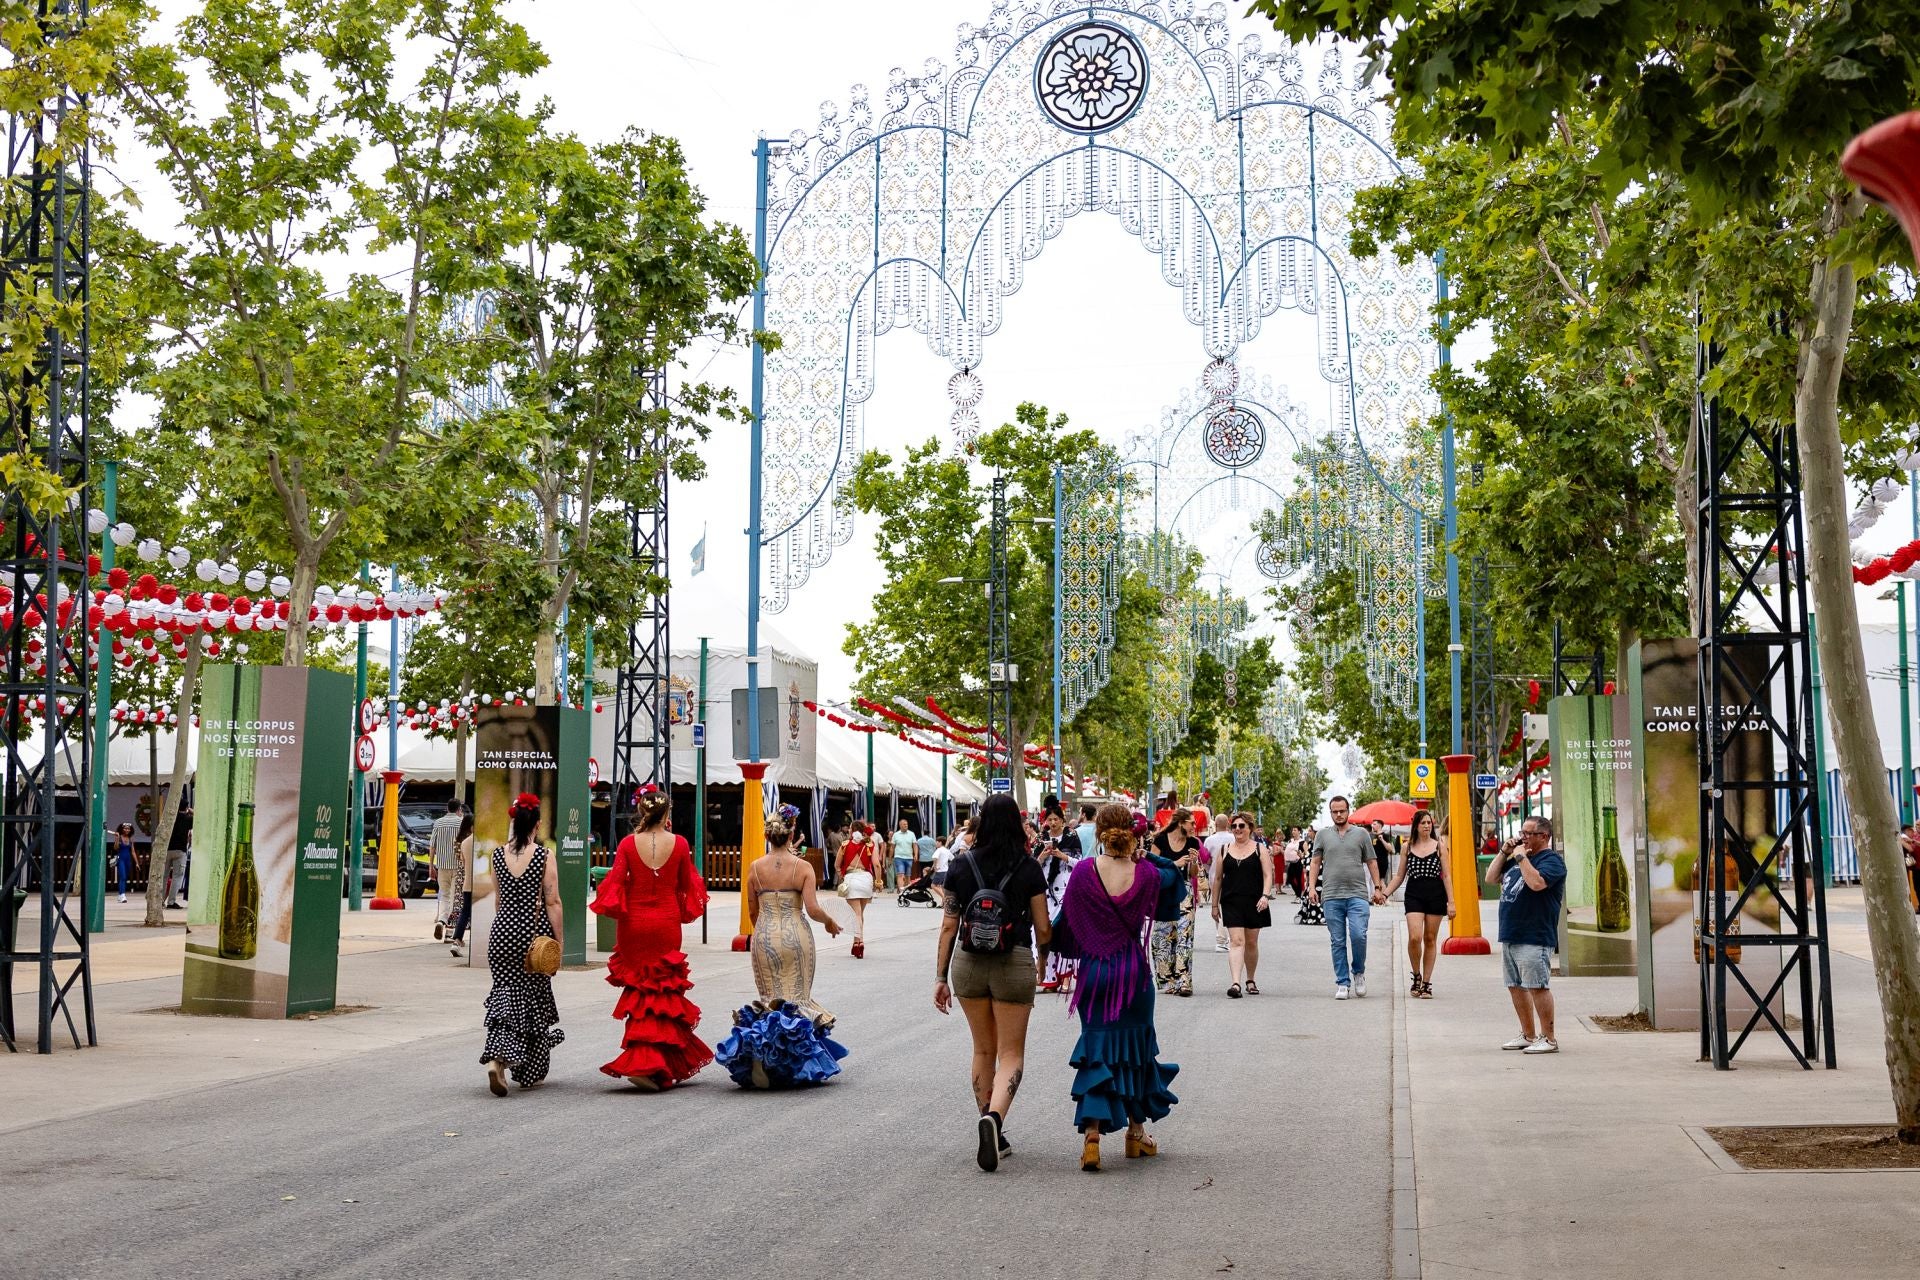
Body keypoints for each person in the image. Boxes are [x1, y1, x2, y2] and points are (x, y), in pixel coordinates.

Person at [1054, 802, 1181, 1172]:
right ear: (1134, 832)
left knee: (1098, 1052)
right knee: (1136, 1052)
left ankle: (1092, 1138)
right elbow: (1173, 876)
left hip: (1094, 974)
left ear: (1098, 832)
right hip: (1134, 975)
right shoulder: (1145, 874)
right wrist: (1147, 855)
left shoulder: (1082, 872)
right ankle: (1136, 1134)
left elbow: (1066, 925)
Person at [932, 792, 1051, 1173]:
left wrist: (940, 977)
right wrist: (1044, 956)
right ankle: (995, 1120)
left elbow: (949, 923)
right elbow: (1044, 928)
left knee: (983, 1050)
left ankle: (989, 1121)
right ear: (1018, 823)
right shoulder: (1029, 867)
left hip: (967, 964)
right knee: (1011, 1054)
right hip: (1013, 961)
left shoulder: (961, 865)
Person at [590, 788, 712, 1091]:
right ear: (667, 814)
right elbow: (688, 885)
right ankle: (654, 1062)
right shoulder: (680, 843)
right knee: (663, 990)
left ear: (642, 812)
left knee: (641, 989)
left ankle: (646, 1060)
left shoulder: (630, 844)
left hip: (634, 924)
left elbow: (615, 882)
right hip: (666, 923)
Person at [715, 816, 848, 1088]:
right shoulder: (803, 867)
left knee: (769, 998)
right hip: (796, 935)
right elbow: (811, 909)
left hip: (764, 934)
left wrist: (763, 932)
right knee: (796, 998)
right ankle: (792, 1065)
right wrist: (830, 922)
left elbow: (752, 910)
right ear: (791, 837)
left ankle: (760, 1057)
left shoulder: (755, 868)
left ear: (767, 837)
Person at [477, 793, 566, 1094]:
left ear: (513, 821)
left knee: (504, 995)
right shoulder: (544, 856)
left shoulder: (498, 856)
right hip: (531, 935)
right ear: (537, 825)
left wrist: (507, 926)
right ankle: (528, 1070)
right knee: (533, 998)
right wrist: (559, 941)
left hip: (501, 934)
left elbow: (499, 901)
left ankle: (498, 1059)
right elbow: (552, 901)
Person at [1489, 815, 1567, 1053]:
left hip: (1534, 934)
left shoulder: (1552, 861)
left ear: (1543, 836)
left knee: (1537, 986)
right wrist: (1504, 852)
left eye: (1528, 833)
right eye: (1521, 832)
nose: (1522, 837)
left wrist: (1521, 856)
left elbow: (1536, 884)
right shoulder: (1516, 859)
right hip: (1511, 932)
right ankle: (1528, 1034)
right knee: (1515, 985)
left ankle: (1549, 1037)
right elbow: (1491, 878)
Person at [1309, 797, 1387, 999]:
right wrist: (1311, 888)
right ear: (1330, 812)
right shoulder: (1323, 835)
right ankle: (1342, 982)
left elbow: (1372, 862)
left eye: (1342, 811)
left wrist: (1378, 888)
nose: (1338, 815)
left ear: (1348, 811)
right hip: (1332, 895)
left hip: (1357, 894)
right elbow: (1315, 862)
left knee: (1359, 935)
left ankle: (1358, 973)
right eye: (1334, 811)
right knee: (1337, 940)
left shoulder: (1361, 834)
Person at [1382, 810, 1454, 998]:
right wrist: (1385, 893)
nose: (1426, 826)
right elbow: (1399, 876)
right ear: (1416, 825)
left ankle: (1427, 984)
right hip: (1414, 893)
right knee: (1415, 937)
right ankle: (1416, 975)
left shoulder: (1440, 846)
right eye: (1422, 823)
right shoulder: (1407, 847)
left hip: (1436, 894)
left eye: (1429, 823)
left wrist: (1451, 902)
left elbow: (1446, 875)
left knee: (1430, 938)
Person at [1210, 813, 1276, 998]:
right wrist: (1214, 906)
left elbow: (1267, 875)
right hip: (1231, 901)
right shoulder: (1224, 850)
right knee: (1237, 941)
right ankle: (1236, 983)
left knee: (1251, 943)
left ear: (1250, 829)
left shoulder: (1259, 849)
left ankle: (1250, 979)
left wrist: (1265, 895)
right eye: (1235, 826)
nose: (1238, 829)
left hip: (1255, 901)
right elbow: (1217, 879)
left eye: (1242, 826)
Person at [1148, 809, 1200, 997]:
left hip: (1184, 891)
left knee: (1184, 936)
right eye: (1191, 823)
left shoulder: (1193, 842)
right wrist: (1174, 863)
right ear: (1180, 823)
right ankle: (1168, 980)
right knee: (1162, 936)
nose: (1194, 827)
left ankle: (1184, 981)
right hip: (1163, 891)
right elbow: (1150, 868)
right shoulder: (1161, 839)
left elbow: (1193, 874)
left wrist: (1193, 862)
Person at [1037, 808, 1082, 993]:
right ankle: (1049, 978)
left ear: (1062, 821)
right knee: (1045, 935)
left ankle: (1065, 976)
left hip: (1065, 890)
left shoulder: (1072, 837)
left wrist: (1063, 856)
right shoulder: (1041, 839)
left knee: (1065, 934)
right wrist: (1043, 856)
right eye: (1050, 819)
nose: (1053, 823)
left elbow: (1080, 863)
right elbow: (1033, 864)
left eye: (1056, 819)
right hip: (1045, 891)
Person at [837, 822, 880, 958]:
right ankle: (857, 941)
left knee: (856, 914)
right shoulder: (870, 844)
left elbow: (837, 865)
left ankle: (859, 944)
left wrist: (842, 875)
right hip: (866, 879)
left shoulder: (844, 845)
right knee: (860, 914)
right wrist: (878, 882)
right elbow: (877, 865)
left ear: (852, 830)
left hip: (851, 878)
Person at [431, 799, 464, 939]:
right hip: (457, 865)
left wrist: (430, 865)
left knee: (444, 895)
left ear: (447, 808)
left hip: (442, 865)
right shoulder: (461, 822)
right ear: (459, 809)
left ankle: (441, 920)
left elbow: (432, 846)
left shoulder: (438, 823)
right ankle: (449, 932)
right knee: (454, 898)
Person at [1203, 814, 1234, 952]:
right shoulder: (1233, 838)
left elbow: (1205, 859)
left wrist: (1210, 870)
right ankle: (1227, 938)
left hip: (1214, 875)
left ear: (1215, 824)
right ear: (1228, 824)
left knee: (1217, 906)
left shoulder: (1209, 840)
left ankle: (1221, 937)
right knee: (1230, 905)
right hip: (1232, 876)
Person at [448, 811, 475, 959]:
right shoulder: (481, 842)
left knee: (464, 913)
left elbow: (463, 863)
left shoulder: (464, 843)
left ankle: (456, 941)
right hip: (481, 884)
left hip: (467, 883)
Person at [890, 818, 918, 892]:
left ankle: (906, 890)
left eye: (907, 824)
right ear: (900, 825)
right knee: (900, 874)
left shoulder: (911, 834)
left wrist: (916, 854)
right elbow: (892, 847)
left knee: (908, 876)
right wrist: (890, 858)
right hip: (898, 857)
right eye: (904, 824)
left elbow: (915, 845)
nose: (906, 825)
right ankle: (901, 890)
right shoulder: (896, 835)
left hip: (909, 857)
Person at [111, 823, 136, 904]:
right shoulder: (119, 837)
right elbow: (115, 847)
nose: (127, 830)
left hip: (128, 860)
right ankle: (122, 895)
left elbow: (133, 852)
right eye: (125, 828)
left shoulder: (131, 839)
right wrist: (117, 838)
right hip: (120, 859)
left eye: (128, 829)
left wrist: (137, 863)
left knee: (125, 877)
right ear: (122, 829)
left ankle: (120, 895)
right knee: (123, 876)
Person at [1370, 819, 1396, 889]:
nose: (1373, 826)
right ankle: (1378, 898)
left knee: (1381, 881)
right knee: (1376, 882)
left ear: (1380, 825)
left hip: (1382, 861)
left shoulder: (1385, 835)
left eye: (1374, 824)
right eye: (1372, 824)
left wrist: (1382, 840)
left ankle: (1384, 898)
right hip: (1374, 862)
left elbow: (1390, 849)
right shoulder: (1373, 836)